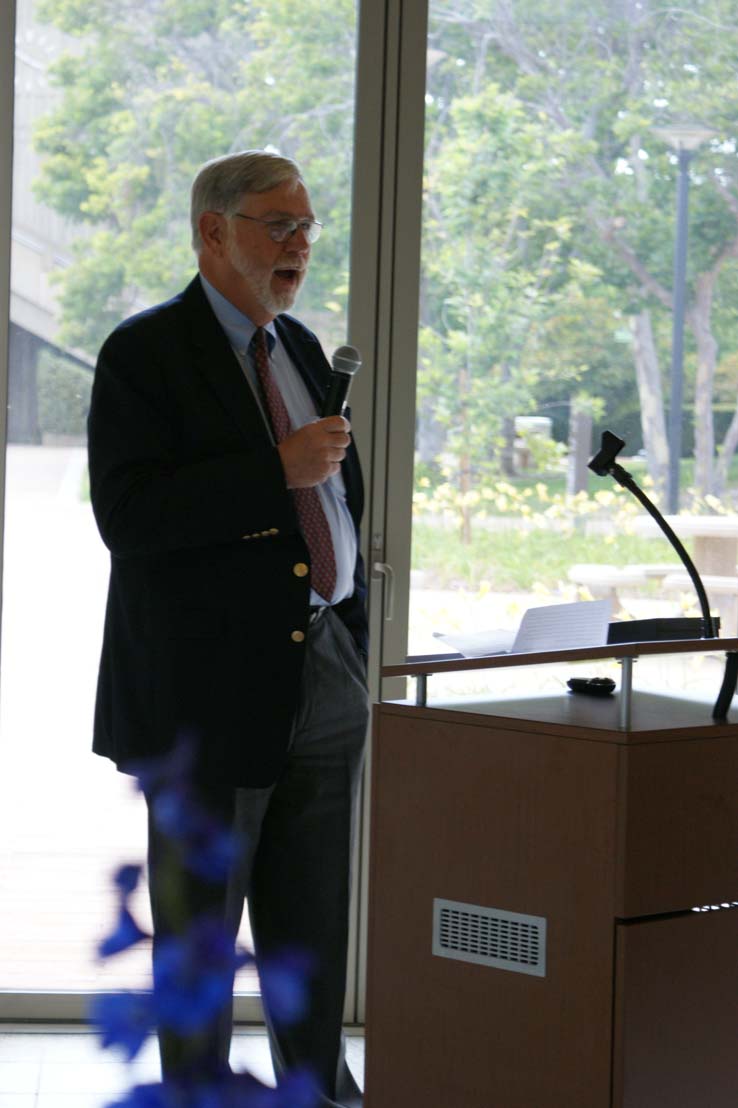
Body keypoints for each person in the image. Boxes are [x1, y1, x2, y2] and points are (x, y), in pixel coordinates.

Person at [87, 149, 369, 1107]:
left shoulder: (296, 346)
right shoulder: (146, 352)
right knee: (202, 937)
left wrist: (350, 636)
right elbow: (129, 520)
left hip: (322, 670)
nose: (296, 246)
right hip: (203, 695)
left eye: (305, 227)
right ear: (213, 231)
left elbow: (336, 502)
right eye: (275, 225)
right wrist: (273, 471)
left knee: (313, 924)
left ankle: (317, 1094)